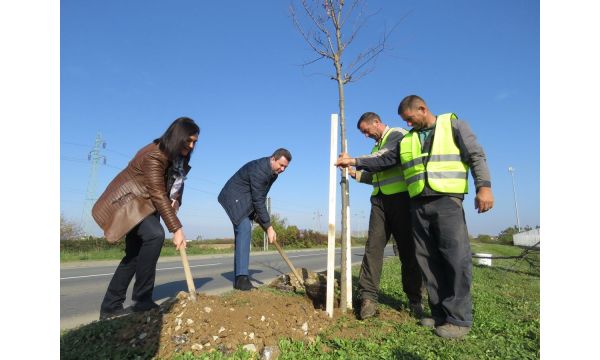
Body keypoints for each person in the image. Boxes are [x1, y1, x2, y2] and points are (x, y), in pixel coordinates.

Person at [337, 95, 494, 339]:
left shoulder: (449, 126)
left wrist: (484, 186)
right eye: (405, 121)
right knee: (427, 260)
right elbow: (387, 162)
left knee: (453, 258)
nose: (408, 124)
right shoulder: (407, 139)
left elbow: (475, 154)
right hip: (416, 203)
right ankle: (439, 314)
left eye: (410, 119)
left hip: (444, 200)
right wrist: (355, 170)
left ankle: (458, 318)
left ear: (422, 109)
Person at [92, 117, 200, 320]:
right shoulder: (154, 155)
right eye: (189, 141)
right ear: (178, 137)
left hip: (145, 207)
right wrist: (176, 229)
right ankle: (142, 300)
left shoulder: (176, 157)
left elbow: (176, 182)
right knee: (155, 235)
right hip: (129, 206)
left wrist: (176, 200)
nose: (192, 146)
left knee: (134, 256)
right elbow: (158, 193)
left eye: (195, 142)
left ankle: (109, 308)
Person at [334, 112, 423, 320]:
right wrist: (354, 172)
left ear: (377, 122)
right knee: (373, 249)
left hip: (402, 200)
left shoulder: (398, 135)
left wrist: (354, 160)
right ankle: (368, 299)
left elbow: (384, 160)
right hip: (380, 203)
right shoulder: (375, 148)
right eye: (363, 133)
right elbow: (375, 175)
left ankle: (415, 299)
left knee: (408, 252)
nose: (366, 136)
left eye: (366, 131)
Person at [218, 148, 292, 291]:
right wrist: (269, 226)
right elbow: (258, 200)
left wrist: (262, 220)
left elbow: (260, 196)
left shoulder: (273, 174)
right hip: (233, 197)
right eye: (281, 165)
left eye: (285, 167)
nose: (282, 169)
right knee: (244, 228)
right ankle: (241, 279)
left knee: (247, 227)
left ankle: (240, 277)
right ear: (273, 159)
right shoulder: (259, 170)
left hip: (246, 198)